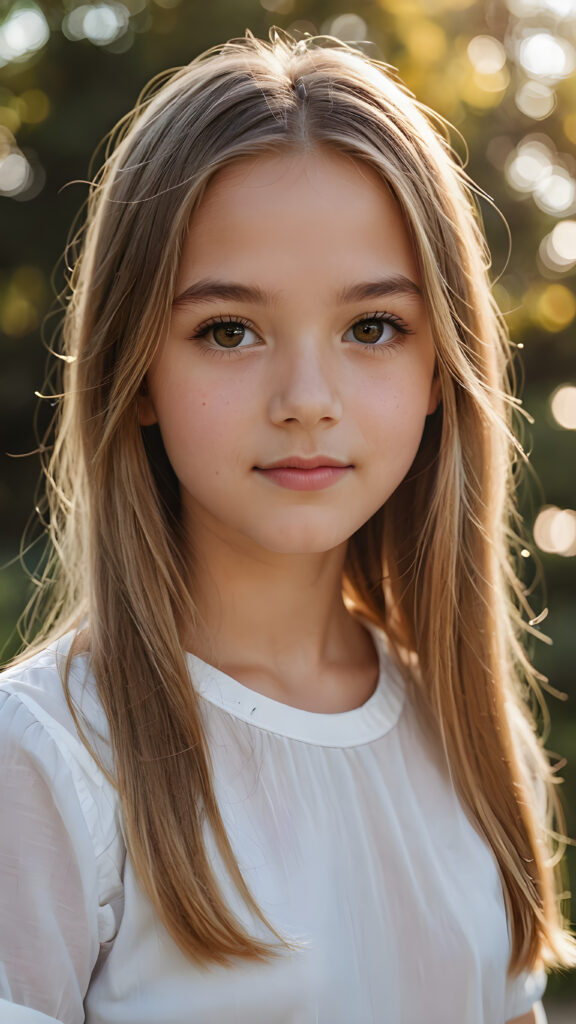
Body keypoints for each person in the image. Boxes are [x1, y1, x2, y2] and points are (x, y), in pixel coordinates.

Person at [0, 28, 573, 1024]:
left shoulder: (476, 740)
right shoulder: (48, 760)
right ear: (135, 373)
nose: (308, 398)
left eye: (371, 328)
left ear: (440, 367)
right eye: (230, 329)